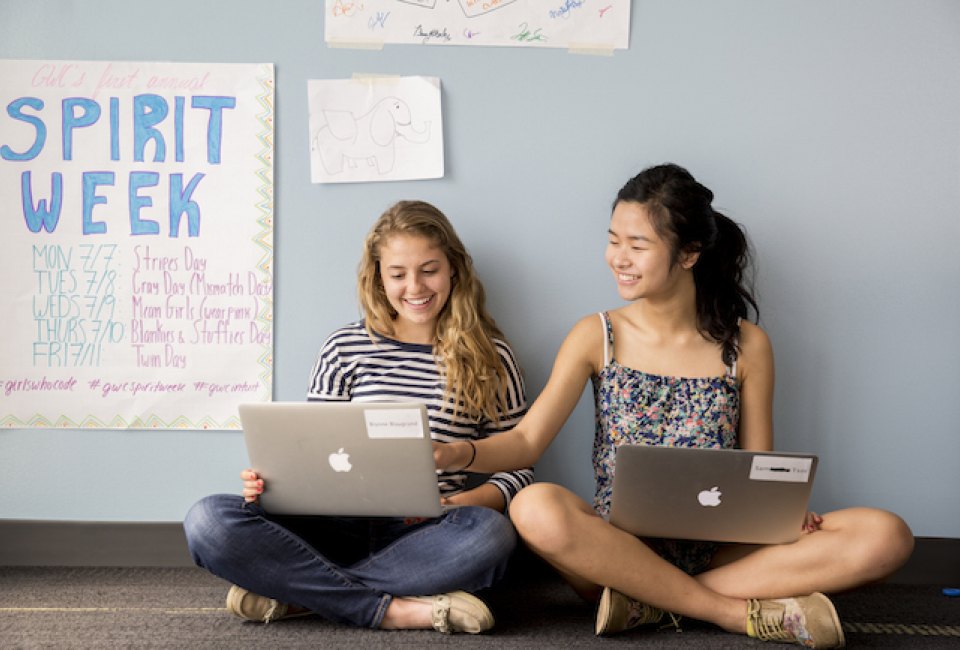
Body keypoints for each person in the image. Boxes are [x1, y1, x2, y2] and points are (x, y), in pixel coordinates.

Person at [434, 164, 914, 647]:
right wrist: (460, 453)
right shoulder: (595, 335)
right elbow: (525, 442)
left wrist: (782, 512)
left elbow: (758, 469)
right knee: (535, 505)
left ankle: (648, 604)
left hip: (721, 551)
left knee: (886, 534)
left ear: (689, 254)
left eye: (637, 245)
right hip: (615, 550)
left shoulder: (747, 345)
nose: (618, 258)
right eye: (614, 239)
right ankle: (726, 612)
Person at [184, 200, 532, 634]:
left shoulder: (492, 357)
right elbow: (313, 452)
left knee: (491, 537)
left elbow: (519, 465)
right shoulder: (343, 348)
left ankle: (300, 594)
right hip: (333, 527)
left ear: (454, 270)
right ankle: (394, 610)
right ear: (378, 277)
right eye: (398, 273)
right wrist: (271, 484)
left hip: (428, 532)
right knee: (207, 521)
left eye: (429, 269)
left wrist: (467, 501)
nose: (415, 287)